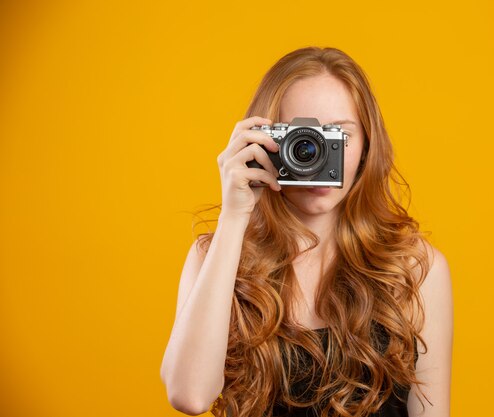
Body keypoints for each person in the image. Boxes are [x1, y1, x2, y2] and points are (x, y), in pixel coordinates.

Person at [160, 46, 453, 417]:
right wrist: (235, 216)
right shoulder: (215, 256)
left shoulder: (414, 269)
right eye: (302, 138)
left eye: (339, 136)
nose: (317, 154)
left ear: (365, 146)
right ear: (265, 140)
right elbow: (189, 395)